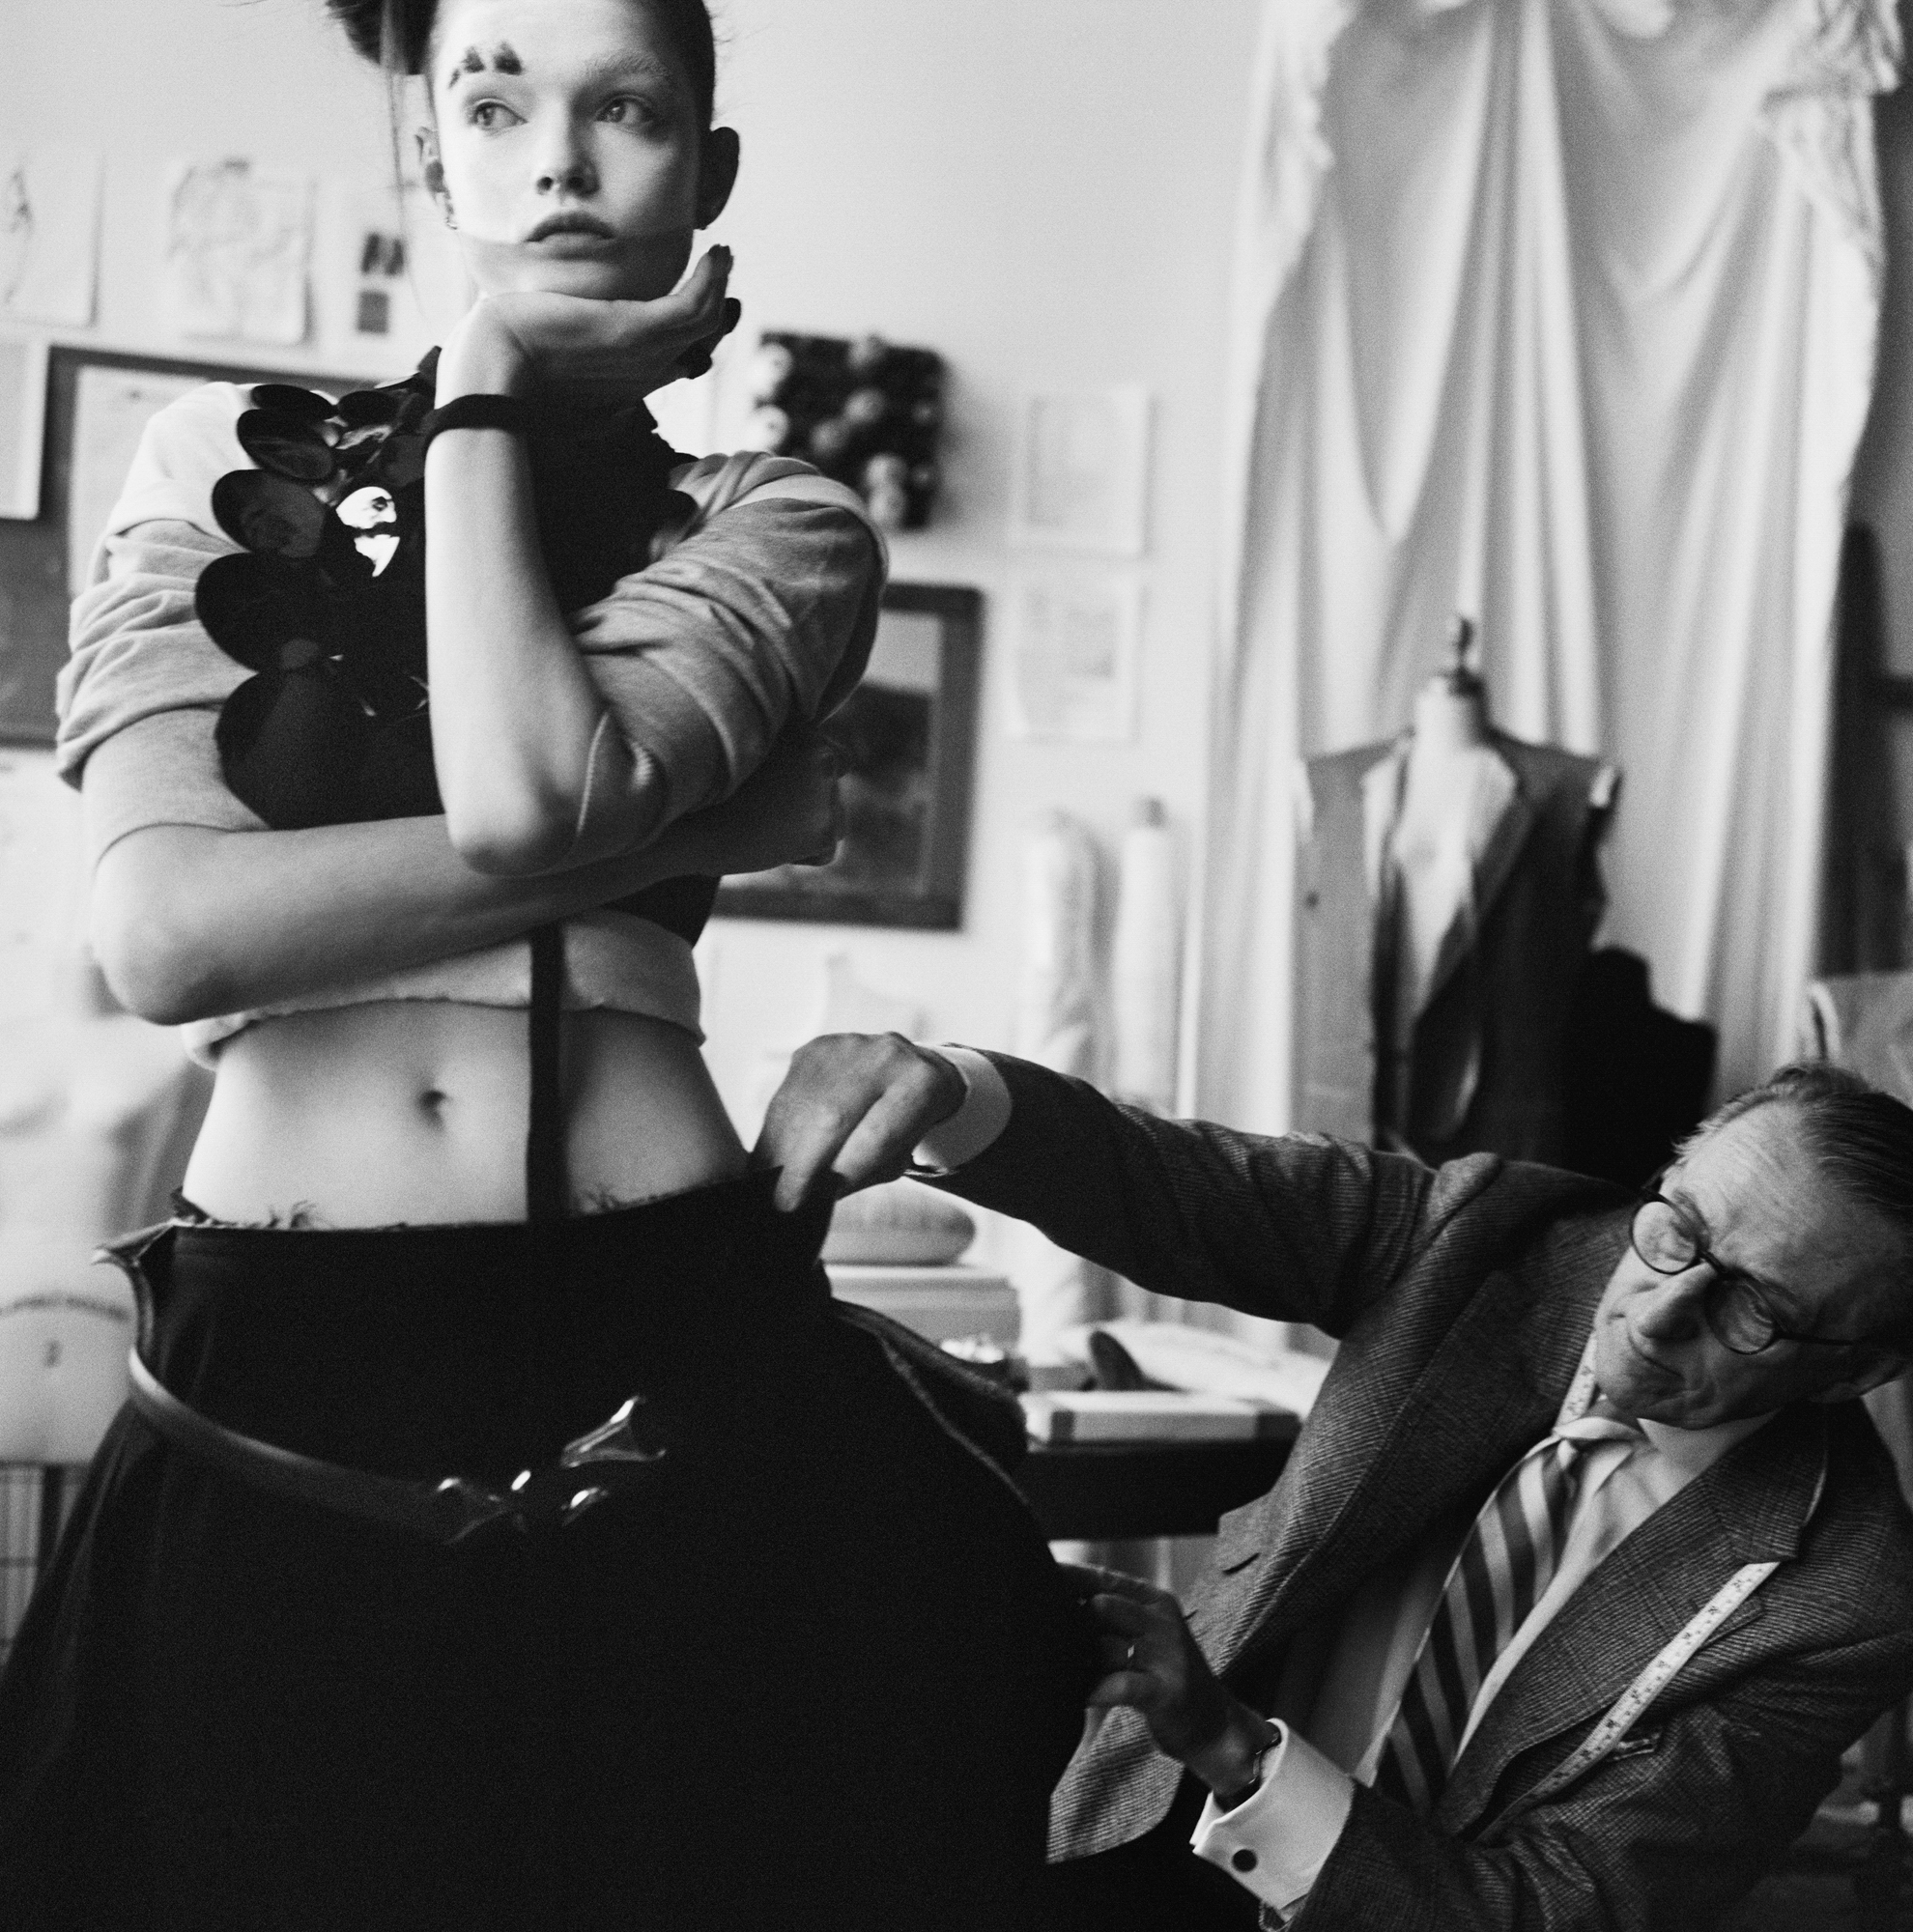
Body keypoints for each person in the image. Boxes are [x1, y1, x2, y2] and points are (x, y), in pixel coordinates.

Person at [0, 5, 1088, 1925]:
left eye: (626, 110)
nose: (562, 162)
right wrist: (693, 829)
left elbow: (528, 792)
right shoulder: (208, 460)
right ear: (428, 149)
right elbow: (165, 935)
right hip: (282, 1362)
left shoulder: (780, 518)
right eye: (497, 103)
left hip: (666, 1332)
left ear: (709, 170)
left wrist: (488, 383)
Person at [757, 1035, 1913, 1928]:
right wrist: (950, 1090)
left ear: (1857, 1366)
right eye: (1676, 1226)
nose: (1658, 1313)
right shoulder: (1487, 1235)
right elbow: (1181, 1186)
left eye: (1757, 1308)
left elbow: (1562, 1907)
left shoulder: (1843, 1595)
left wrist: (1233, 1744)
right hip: (1140, 1829)